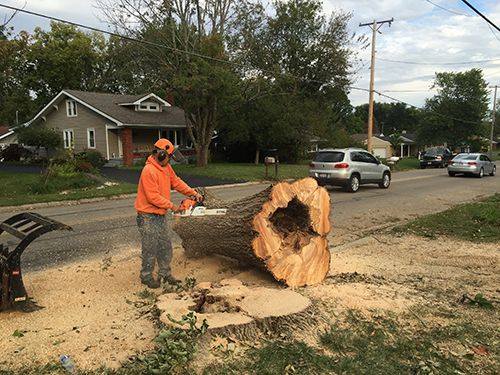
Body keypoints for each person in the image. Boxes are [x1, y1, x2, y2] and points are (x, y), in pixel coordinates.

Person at [134, 138, 202, 288]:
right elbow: (153, 197)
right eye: (169, 157)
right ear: (161, 154)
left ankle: (164, 273)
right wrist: (173, 206)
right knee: (150, 247)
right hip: (147, 216)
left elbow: (176, 182)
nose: (170, 160)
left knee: (165, 245)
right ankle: (146, 276)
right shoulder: (148, 171)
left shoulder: (166, 168)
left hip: (160, 214)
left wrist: (192, 193)